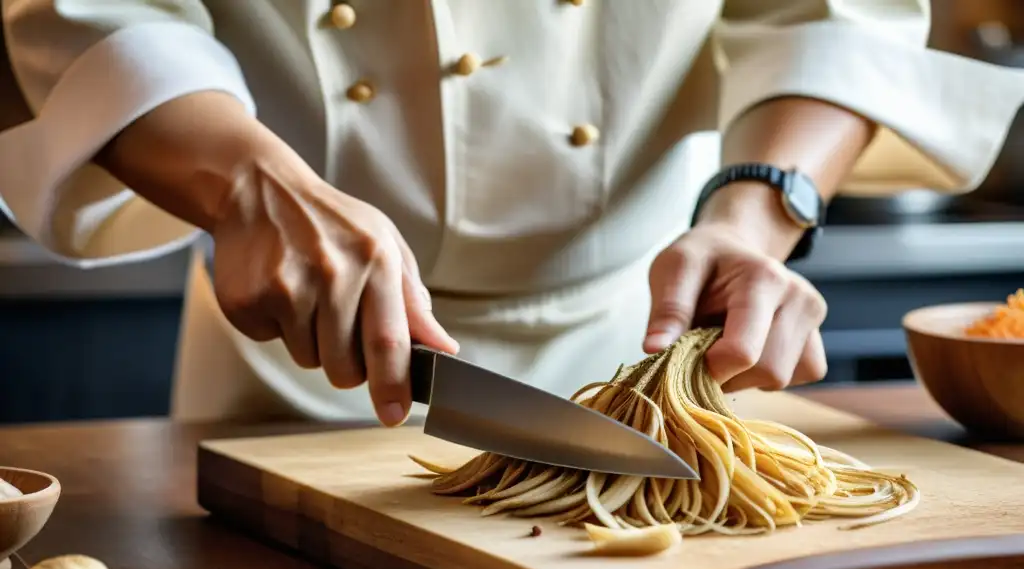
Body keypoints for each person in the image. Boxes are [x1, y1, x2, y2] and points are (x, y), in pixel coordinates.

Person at [0, 1, 1022, 427]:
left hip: (647, 347)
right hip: (293, 342)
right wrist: (245, 183)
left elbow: (824, 12)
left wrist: (754, 220)